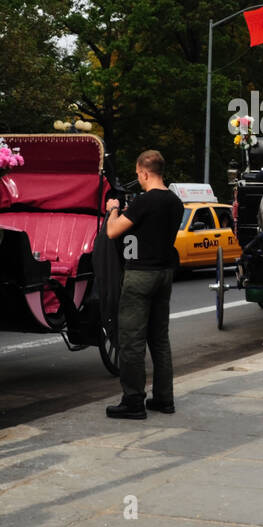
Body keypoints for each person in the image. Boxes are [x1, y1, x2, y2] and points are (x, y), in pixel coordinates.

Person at [103, 150, 184, 419]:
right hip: (164, 274)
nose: (138, 178)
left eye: (138, 174)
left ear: (144, 172)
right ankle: (164, 399)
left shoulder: (144, 201)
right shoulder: (175, 202)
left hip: (140, 275)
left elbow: (113, 231)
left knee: (131, 340)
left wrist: (113, 209)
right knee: (159, 339)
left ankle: (133, 400)